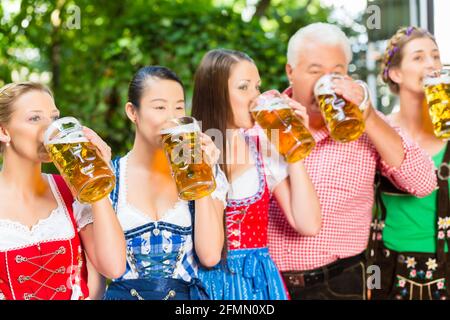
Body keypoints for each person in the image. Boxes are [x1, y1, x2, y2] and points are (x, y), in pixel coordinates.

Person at [268, 22, 437, 300]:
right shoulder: (265, 123)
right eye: (314, 71)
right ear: (290, 72)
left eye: (336, 73)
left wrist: (367, 115)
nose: (326, 82)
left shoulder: (367, 125)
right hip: (264, 282)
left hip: (338, 284)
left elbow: (423, 182)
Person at [191, 49, 322, 300]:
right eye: (244, 87)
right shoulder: (186, 150)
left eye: (257, 87)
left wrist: (292, 146)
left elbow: (307, 223)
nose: (256, 98)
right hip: (202, 286)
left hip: (257, 285)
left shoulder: (263, 147)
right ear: (215, 94)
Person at [103, 66, 227, 300]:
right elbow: (105, 270)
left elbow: (210, 254)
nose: (172, 117)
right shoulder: (107, 177)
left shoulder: (206, 173)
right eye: (160, 107)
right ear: (132, 112)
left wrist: (200, 172)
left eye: (179, 107)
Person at [0, 82, 126, 300]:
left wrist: (95, 179)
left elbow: (114, 267)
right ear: (3, 131)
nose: (51, 129)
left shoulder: (68, 190)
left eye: (54, 118)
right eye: (34, 118)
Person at [368, 26, 450, 300]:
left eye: (435, 56)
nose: (431, 64)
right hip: (385, 268)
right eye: (418, 57)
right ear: (395, 73)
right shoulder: (379, 130)